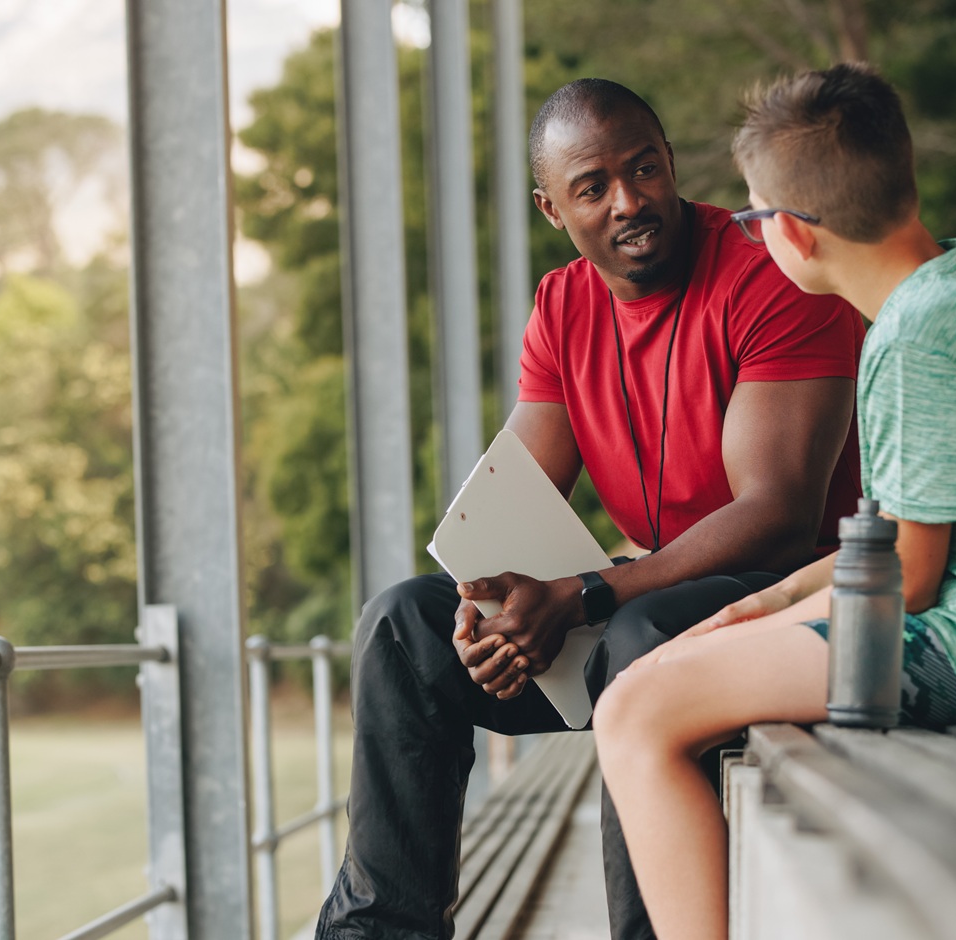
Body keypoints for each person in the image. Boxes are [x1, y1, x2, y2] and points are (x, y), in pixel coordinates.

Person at [315, 78, 866, 940]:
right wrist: (484, 611)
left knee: (648, 645)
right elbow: (510, 513)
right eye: (593, 187)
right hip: (646, 596)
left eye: (644, 169)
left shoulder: (769, 272)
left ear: (671, 163)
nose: (630, 200)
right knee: (401, 628)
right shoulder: (562, 306)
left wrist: (583, 594)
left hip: (795, 604)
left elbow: (779, 515)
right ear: (551, 208)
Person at [592, 64, 956, 940]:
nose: (754, 239)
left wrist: (724, 641)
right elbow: (892, 546)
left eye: (755, 220)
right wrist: (757, 607)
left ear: (792, 233)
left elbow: (906, 581)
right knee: (656, 676)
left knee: (634, 712)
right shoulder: (947, 292)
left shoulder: (922, 337)